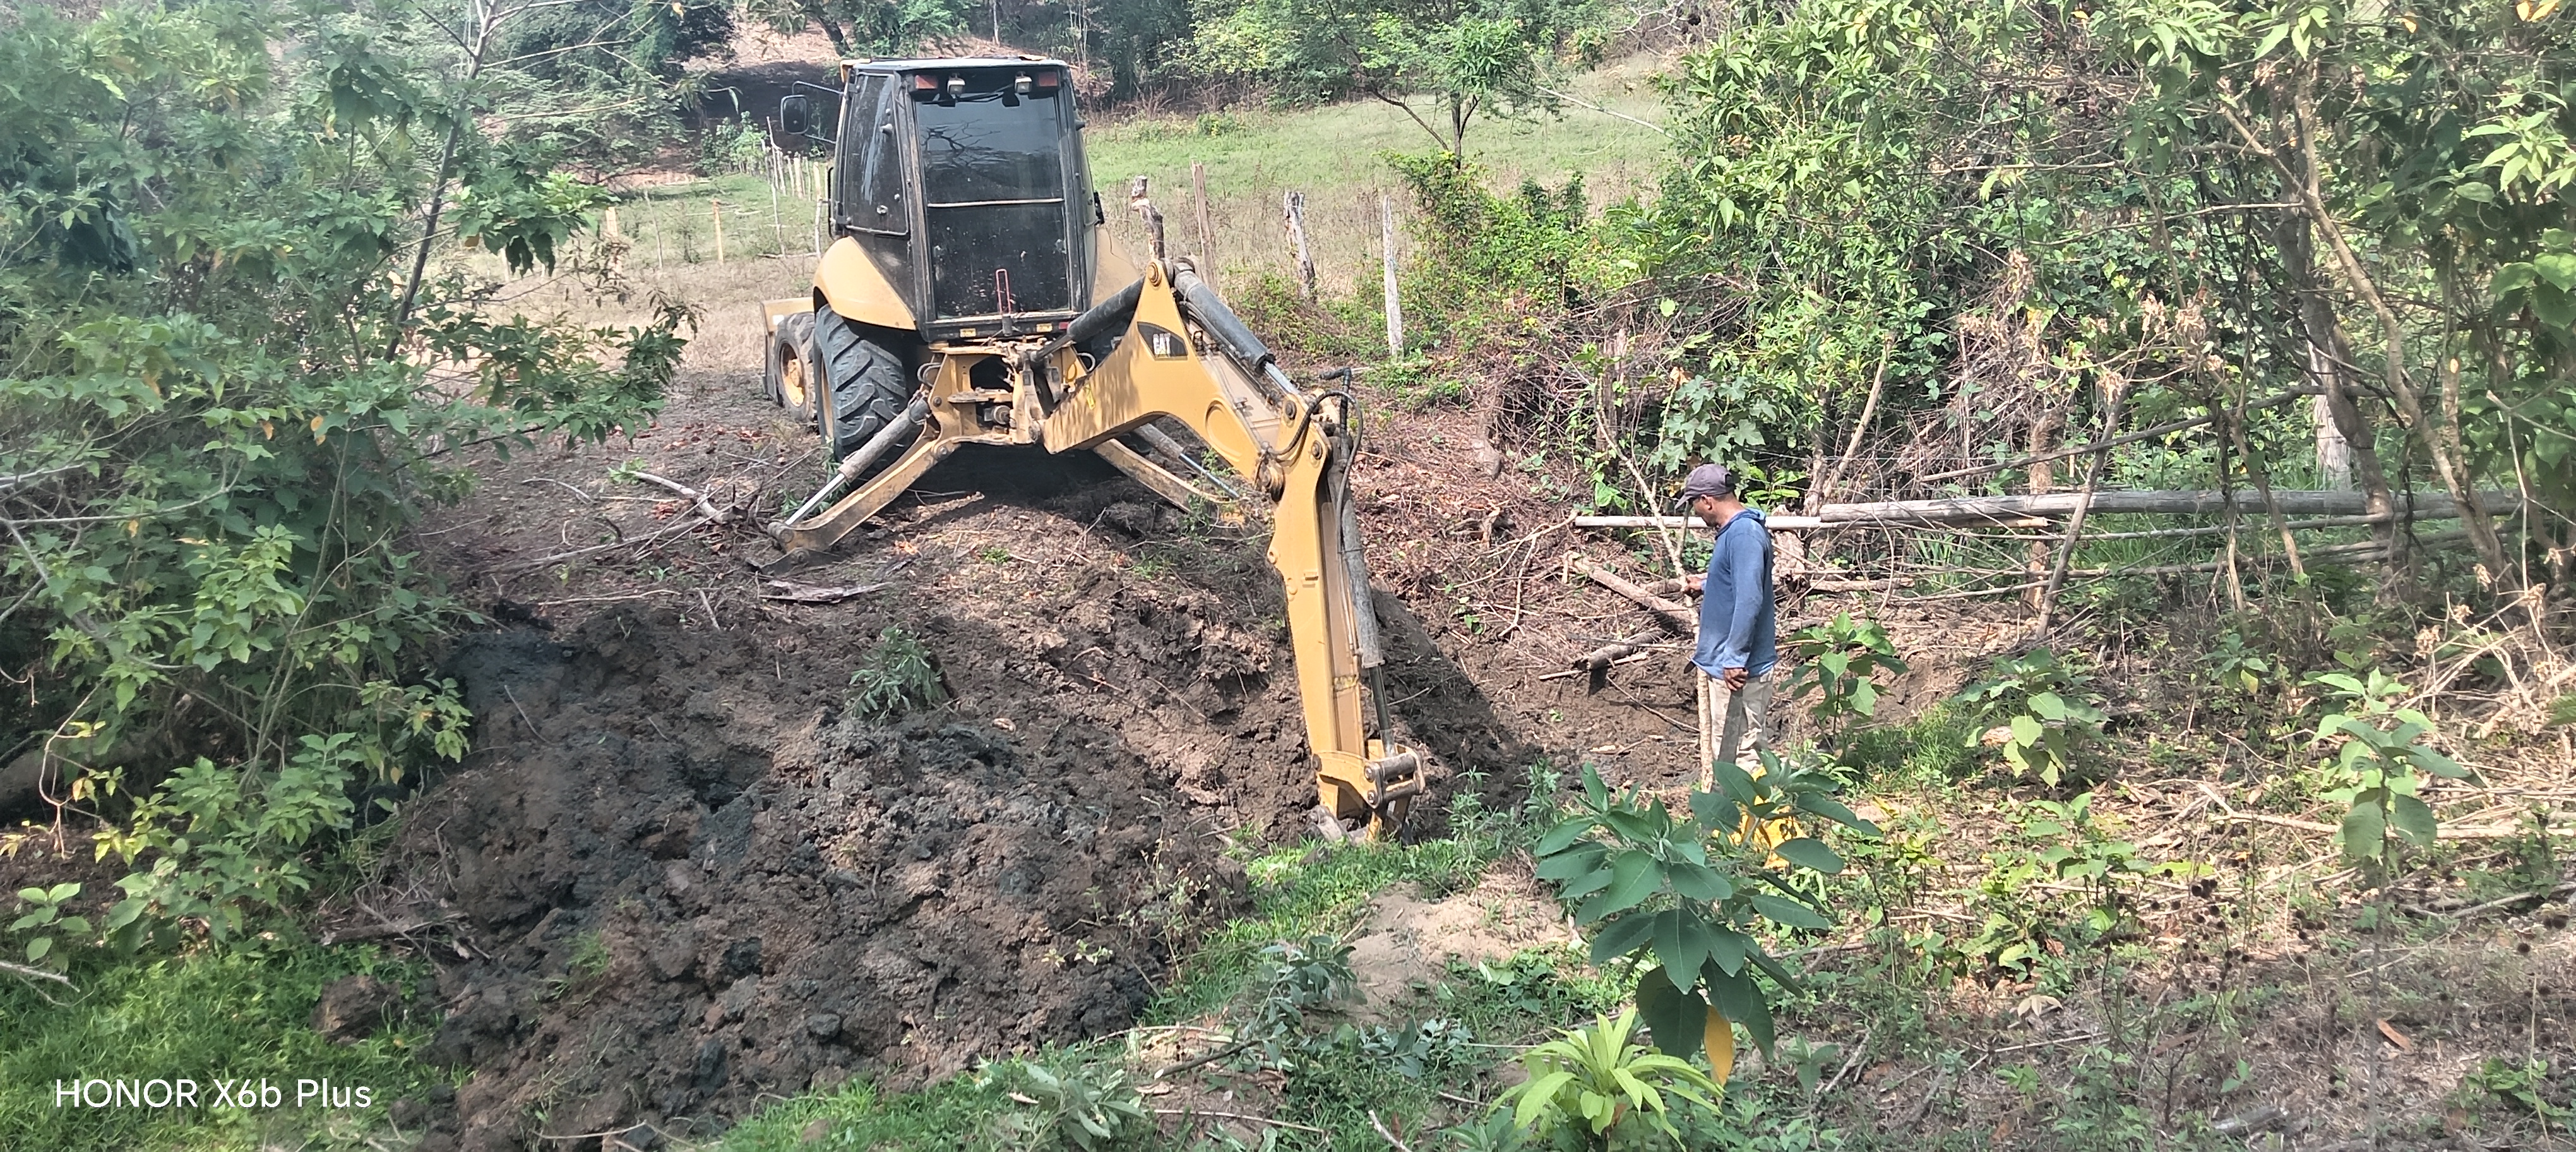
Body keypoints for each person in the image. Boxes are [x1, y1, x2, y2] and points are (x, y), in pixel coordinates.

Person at [1678, 464, 1775, 787]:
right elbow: (1739, 582)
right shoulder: (1735, 533)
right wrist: (1707, 585)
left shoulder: (1744, 535)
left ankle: (1756, 816)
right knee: (1727, 750)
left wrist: (1734, 657)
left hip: (1739, 669)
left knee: (1743, 751)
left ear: (1707, 501)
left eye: (1694, 504)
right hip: (1728, 662)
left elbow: (1750, 599)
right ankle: (1732, 814)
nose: (1697, 513)